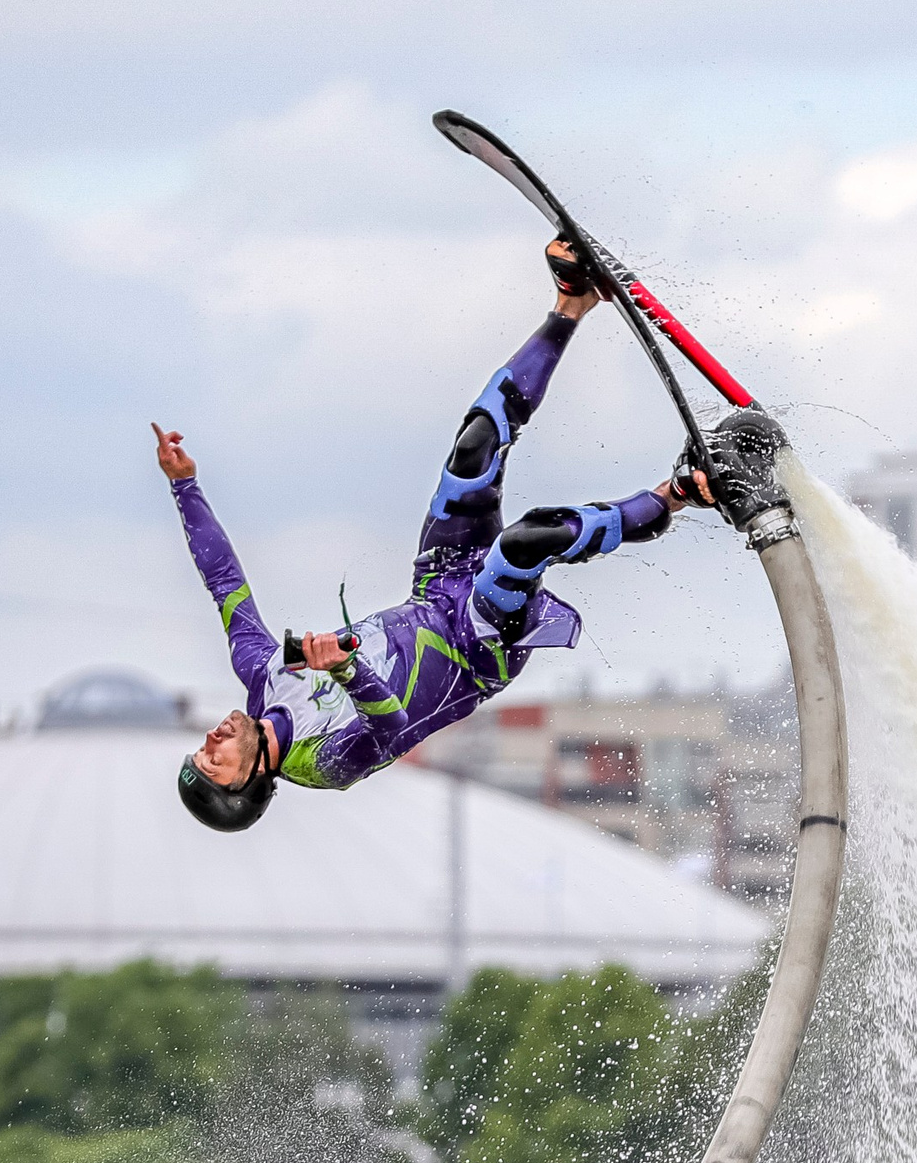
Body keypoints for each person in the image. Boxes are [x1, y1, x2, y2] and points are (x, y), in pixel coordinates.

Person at [158, 239, 711, 832]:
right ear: (247, 782)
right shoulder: (320, 766)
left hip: (438, 585)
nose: (211, 740)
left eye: (202, 750)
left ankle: (571, 303)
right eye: (213, 762)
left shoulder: (261, 672)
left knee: (473, 450)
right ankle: (678, 494)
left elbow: (223, 582)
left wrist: (184, 485)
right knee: (526, 542)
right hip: (477, 647)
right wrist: (345, 670)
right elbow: (390, 728)